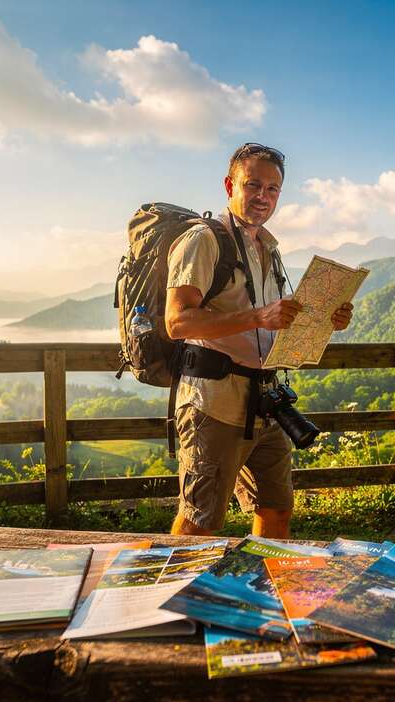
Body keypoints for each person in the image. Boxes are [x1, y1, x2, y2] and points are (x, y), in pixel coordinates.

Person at [163, 143, 352, 538]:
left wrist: (324, 320)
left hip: (266, 403)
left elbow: (272, 323)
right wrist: (258, 316)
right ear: (230, 185)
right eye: (253, 185)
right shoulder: (203, 241)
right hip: (213, 405)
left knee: (277, 508)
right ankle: (172, 593)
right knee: (201, 520)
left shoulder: (269, 247)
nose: (263, 197)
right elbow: (177, 322)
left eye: (272, 189)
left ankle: (262, 592)